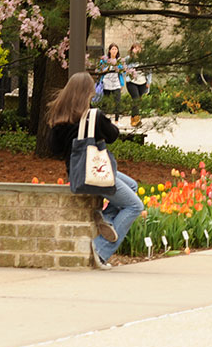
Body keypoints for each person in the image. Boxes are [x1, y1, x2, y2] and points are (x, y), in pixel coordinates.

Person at [47, 72, 143, 270]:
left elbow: (54, 150)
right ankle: (100, 250)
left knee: (131, 185)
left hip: (77, 174)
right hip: (97, 174)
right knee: (135, 206)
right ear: (88, 92)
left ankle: (105, 218)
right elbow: (113, 135)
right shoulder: (94, 116)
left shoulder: (59, 117)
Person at [125, 43, 151, 127]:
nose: (136, 50)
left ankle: (133, 118)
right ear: (132, 50)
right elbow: (124, 70)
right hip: (132, 82)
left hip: (142, 82)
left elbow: (149, 71)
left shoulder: (145, 59)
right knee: (135, 99)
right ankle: (136, 120)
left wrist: (148, 82)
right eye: (135, 48)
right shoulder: (128, 59)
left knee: (138, 101)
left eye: (138, 48)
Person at [98, 43, 125, 123]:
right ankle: (102, 121)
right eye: (112, 49)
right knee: (105, 103)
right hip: (106, 83)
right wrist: (106, 68)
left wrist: (122, 84)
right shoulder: (104, 60)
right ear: (109, 50)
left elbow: (122, 72)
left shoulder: (119, 61)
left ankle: (117, 121)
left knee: (117, 102)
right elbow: (100, 70)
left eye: (115, 49)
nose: (114, 51)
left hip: (116, 83)